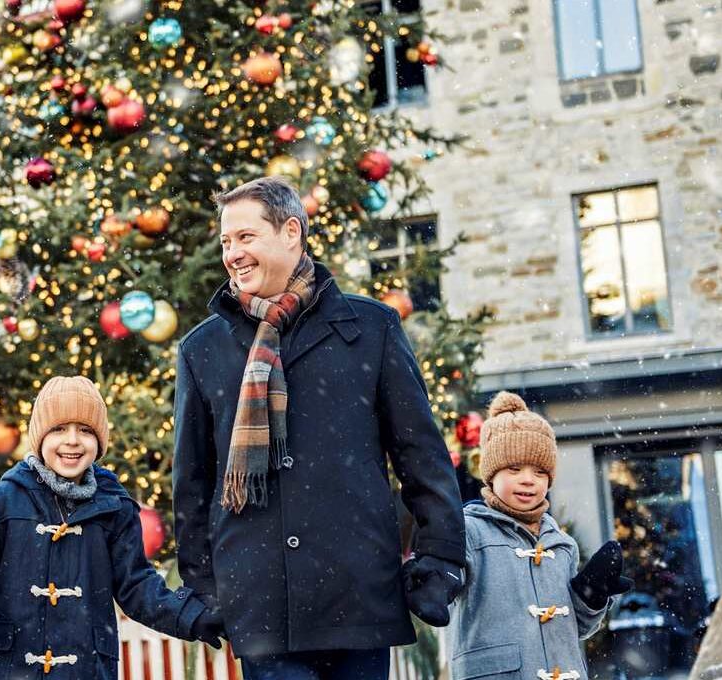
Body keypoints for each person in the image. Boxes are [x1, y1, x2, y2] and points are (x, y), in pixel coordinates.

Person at [172, 176, 465, 679]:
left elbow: (422, 457)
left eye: (246, 237)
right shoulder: (203, 348)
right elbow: (192, 483)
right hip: (261, 605)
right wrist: (204, 587)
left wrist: (439, 559)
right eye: (225, 241)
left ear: (291, 232)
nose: (233, 254)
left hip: (358, 596)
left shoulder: (371, 328)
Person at [0, 376, 225, 678]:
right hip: (10, 666)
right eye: (58, 429)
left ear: (99, 441)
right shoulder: (1, 501)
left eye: (85, 430)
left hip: (85, 665)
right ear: (40, 437)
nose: (72, 440)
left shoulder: (114, 507)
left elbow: (136, 585)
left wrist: (191, 615)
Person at [445, 391, 631, 680]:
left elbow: (578, 628)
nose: (528, 480)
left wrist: (591, 595)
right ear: (491, 474)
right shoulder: (470, 530)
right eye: (515, 468)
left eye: (540, 472)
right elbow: (445, 586)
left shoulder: (562, 545)